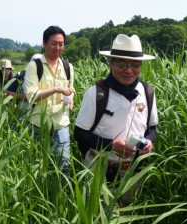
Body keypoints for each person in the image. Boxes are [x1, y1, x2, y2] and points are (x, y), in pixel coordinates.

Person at [74, 34, 158, 205]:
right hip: (99, 169)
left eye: (135, 65)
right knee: (99, 215)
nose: (129, 70)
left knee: (127, 211)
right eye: (121, 64)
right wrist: (111, 146)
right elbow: (80, 133)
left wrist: (149, 142)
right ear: (111, 63)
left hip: (133, 171)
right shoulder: (97, 94)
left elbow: (152, 129)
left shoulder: (147, 92)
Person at [23, 26, 75, 172]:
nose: (57, 47)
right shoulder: (34, 66)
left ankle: (63, 193)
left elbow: (72, 89)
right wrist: (55, 89)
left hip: (61, 122)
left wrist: (71, 97)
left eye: (61, 44)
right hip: (38, 123)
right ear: (44, 43)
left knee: (64, 164)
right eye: (53, 43)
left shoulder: (67, 66)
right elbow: (31, 95)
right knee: (37, 162)